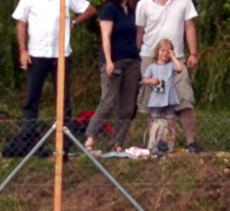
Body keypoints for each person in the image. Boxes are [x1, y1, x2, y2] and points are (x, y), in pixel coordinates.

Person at [12, 0, 96, 129]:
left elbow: (90, 9)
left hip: (61, 54)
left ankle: (64, 142)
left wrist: (73, 23)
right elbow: (21, 23)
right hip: (37, 53)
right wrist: (23, 50)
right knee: (32, 98)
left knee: (63, 99)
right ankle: (28, 138)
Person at [134, 0, 199, 151]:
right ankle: (155, 143)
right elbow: (140, 31)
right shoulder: (144, 4)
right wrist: (136, 54)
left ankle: (191, 144)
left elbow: (189, 26)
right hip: (150, 57)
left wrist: (193, 53)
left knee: (185, 99)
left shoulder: (184, 2)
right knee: (152, 103)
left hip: (176, 58)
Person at [85, 0, 142, 151]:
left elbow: (136, 35)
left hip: (132, 60)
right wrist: (109, 61)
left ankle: (118, 142)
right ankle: (90, 137)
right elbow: (106, 36)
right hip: (114, 60)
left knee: (127, 106)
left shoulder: (131, 10)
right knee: (108, 101)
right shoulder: (109, 9)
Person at [141, 37, 179, 154]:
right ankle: (153, 144)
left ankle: (170, 144)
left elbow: (180, 68)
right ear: (157, 51)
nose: (165, 53)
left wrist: (173, 57)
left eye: (168, 51)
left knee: (170, 121)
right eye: (162, 50)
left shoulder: (171, 65)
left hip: (169, 98)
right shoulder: (152, 67)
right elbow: (144, 80)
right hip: (157, 98)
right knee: (154, 120)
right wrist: (151, 80)